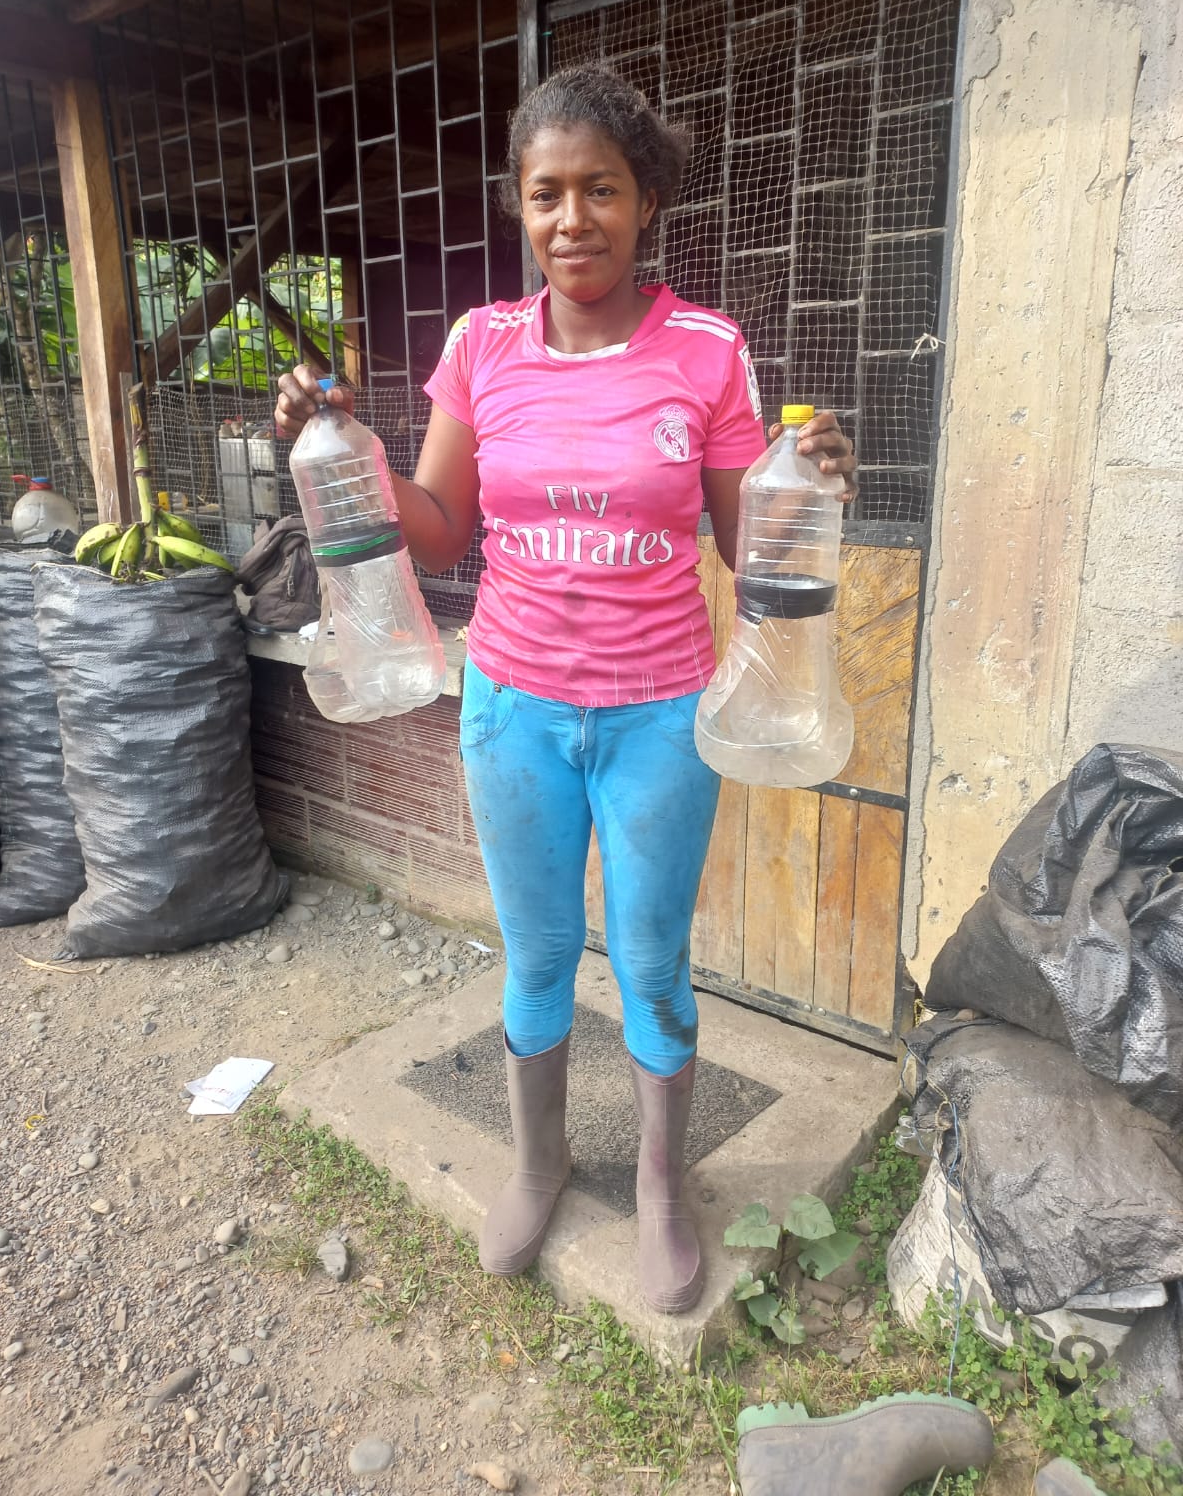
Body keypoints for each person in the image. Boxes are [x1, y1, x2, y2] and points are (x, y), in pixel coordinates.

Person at [275, 64, 856, 1314]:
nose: (573, 219)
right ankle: (539, 1164)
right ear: (520, 205)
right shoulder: (480, 347)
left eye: (601, 189)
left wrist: (806, 488)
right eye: (547, 194)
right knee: (536, 953)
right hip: (516, 710)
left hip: (659, 715)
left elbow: (742, 545)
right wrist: (345, 455)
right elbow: (441, 529)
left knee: (650, 961)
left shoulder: (706, 351)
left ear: (646, 200)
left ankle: (659, 1185)